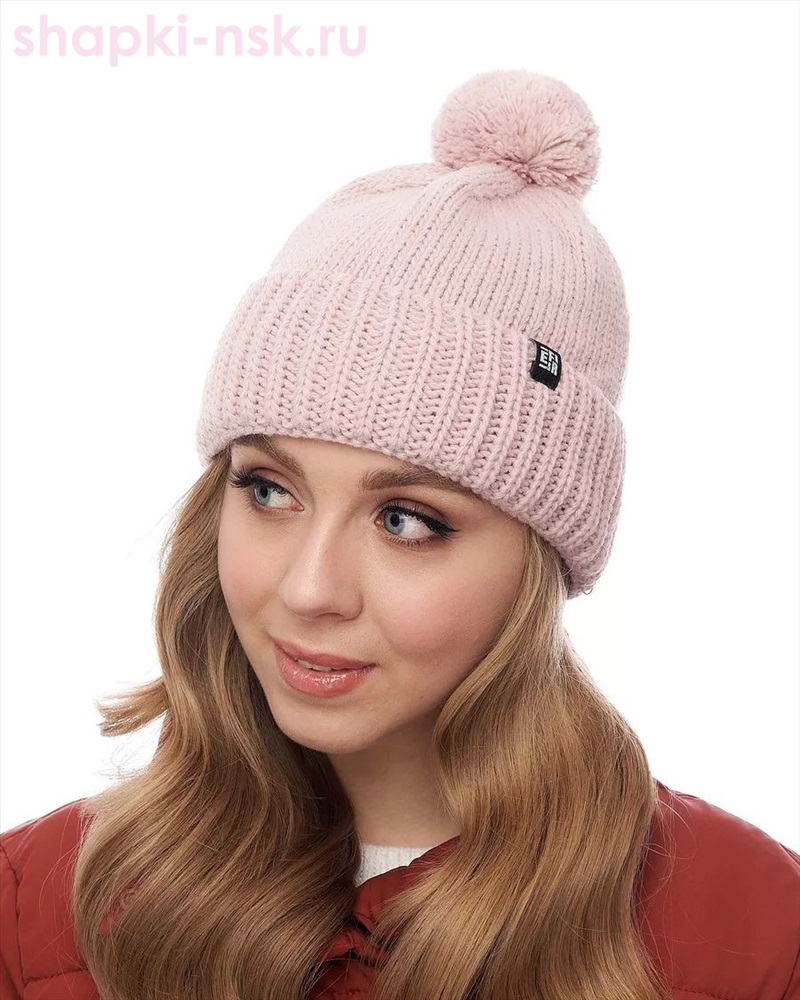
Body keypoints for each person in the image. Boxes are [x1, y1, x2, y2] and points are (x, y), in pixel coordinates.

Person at [1, 69, 797, 1000]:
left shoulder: (755, 930)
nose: (309, 589)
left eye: (405, 520)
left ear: (540, 557)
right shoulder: (36, 906)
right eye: (269, 490)